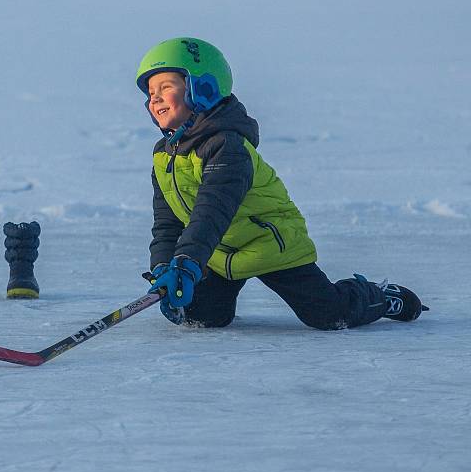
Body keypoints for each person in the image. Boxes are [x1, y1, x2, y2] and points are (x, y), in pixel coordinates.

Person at [136, 37, 427, 329]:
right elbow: (167, 222)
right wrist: (163, 265)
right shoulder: (164, 155)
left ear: (203, 88)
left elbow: (211, 213)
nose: (155, 98)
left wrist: (187, 262)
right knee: (201, 316)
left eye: (166, 87)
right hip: (220, 253)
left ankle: (379, 296)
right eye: (150, 93)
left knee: (328, 315)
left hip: (269, 243)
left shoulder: (227, 147)